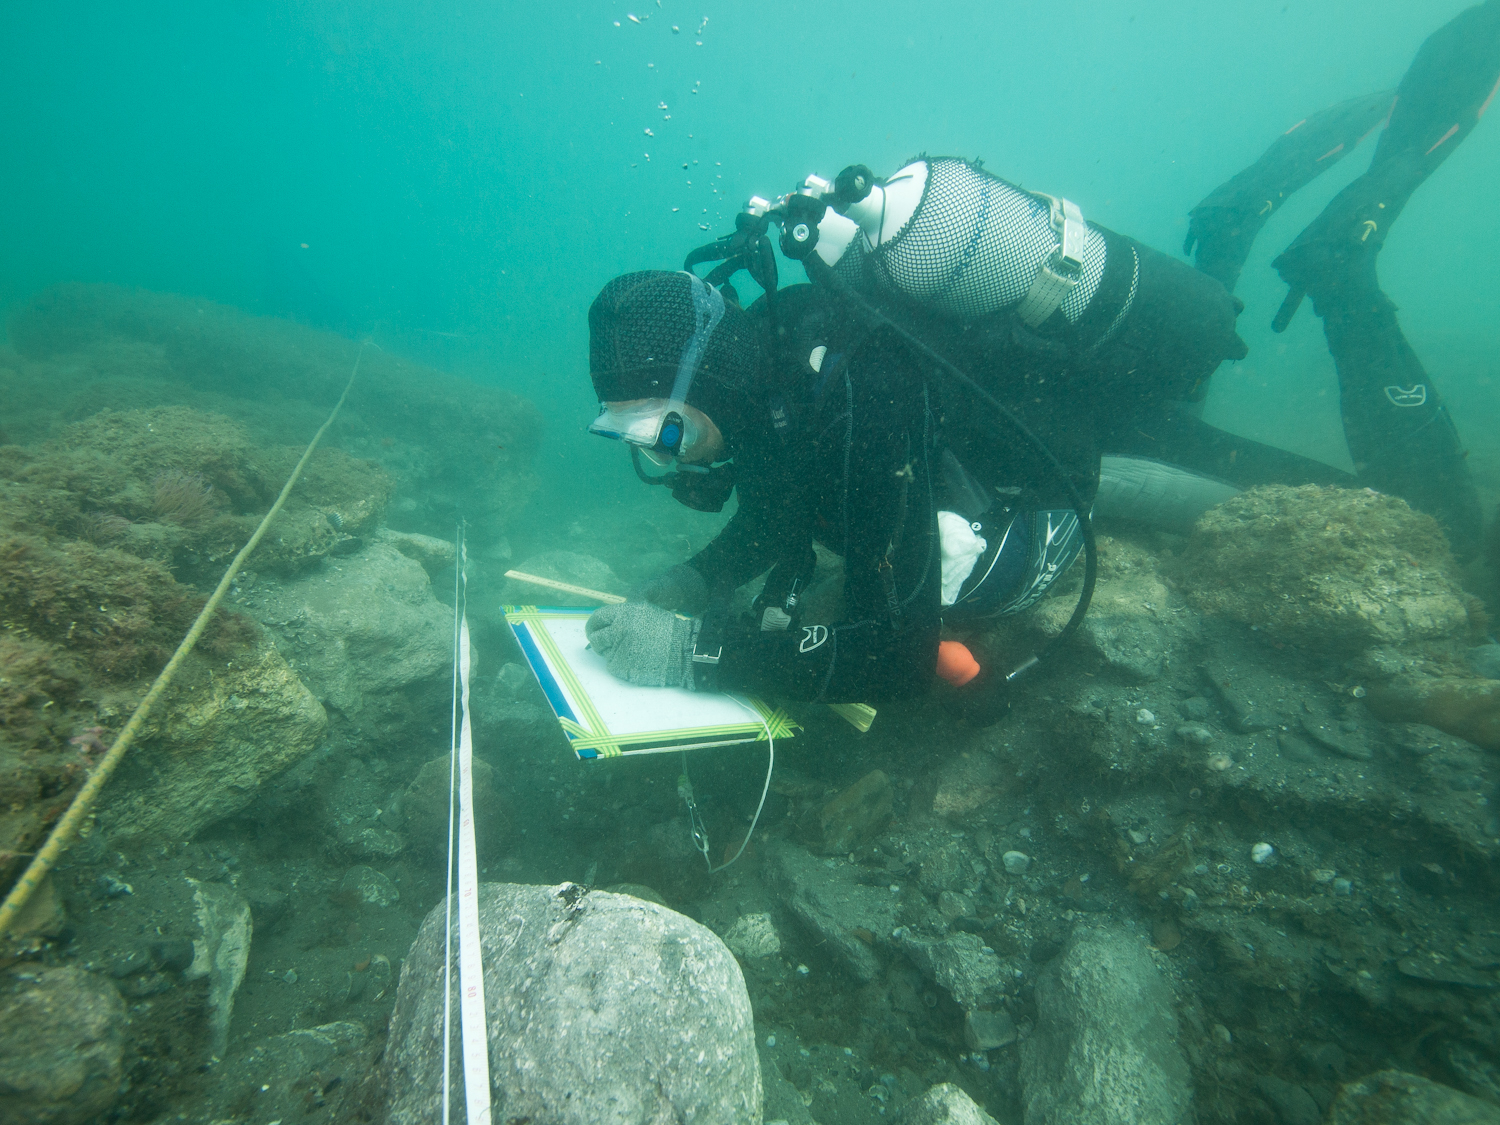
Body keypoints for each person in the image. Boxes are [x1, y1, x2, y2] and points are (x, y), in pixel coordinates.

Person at [581, 3, 1497, 713]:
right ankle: (1226, 229)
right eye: (633, 438)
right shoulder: (774, 372)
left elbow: (893, 655)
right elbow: (783, 510)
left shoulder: (852, 380)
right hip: (1039, 404)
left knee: (1417, 526)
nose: (659, 459)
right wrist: (692, 581)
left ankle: (1344, 278)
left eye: (664, 428)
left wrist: (697, 655)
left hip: (1092, 451)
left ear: (717, 374)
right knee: (1191, 393)